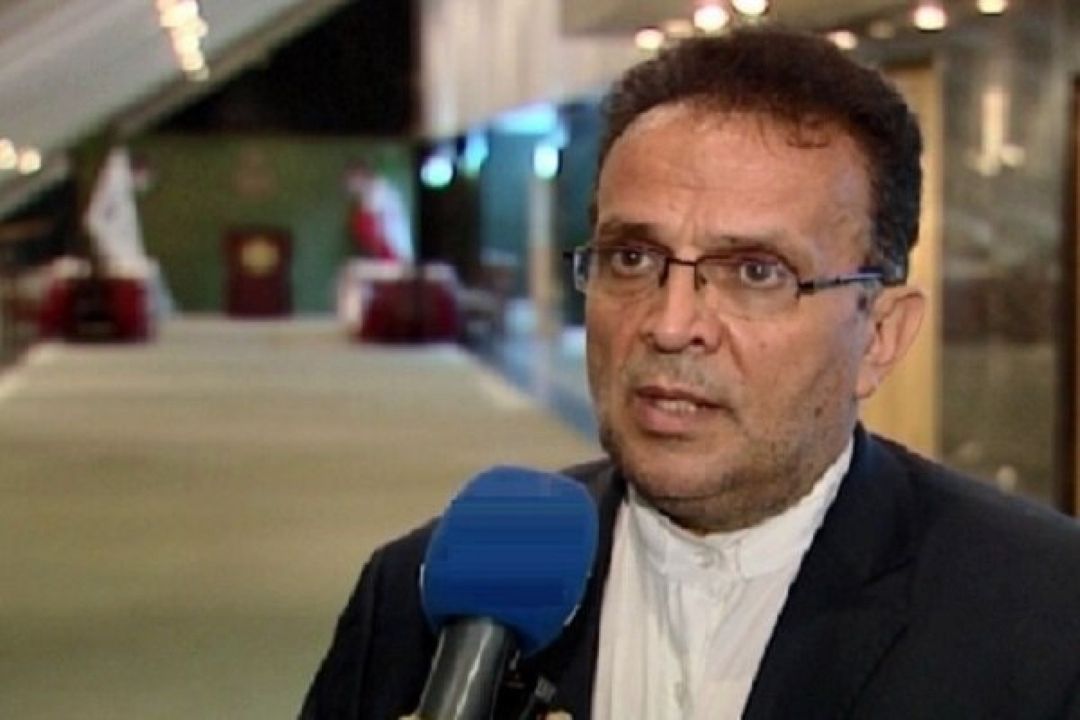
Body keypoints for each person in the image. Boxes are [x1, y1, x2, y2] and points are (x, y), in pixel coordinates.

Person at [301, 27, 1080, 719]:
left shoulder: (1046, 615)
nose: (671, 325)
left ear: (879, 335)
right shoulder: (420, 597)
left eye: (756, 272)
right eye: (632, 258)